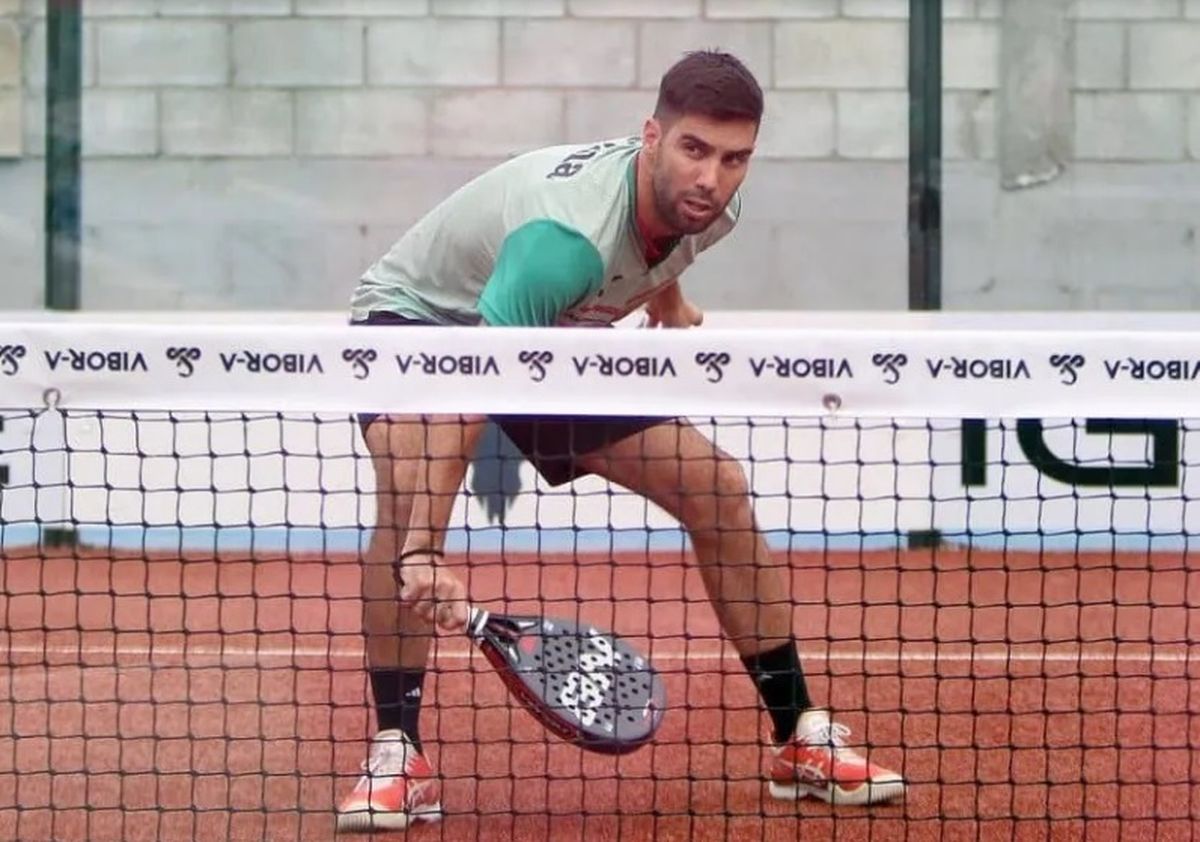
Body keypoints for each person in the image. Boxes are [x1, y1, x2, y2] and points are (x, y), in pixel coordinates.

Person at [336, 50, 905, 832]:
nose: (711, 177)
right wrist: (425, 550)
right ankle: (398, 753)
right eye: (694, 149)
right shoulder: (563, 242)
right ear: (652, 137)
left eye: (734, 158)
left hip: (555, 325)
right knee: (406, 502)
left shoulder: (717, 210)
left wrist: (667, 301)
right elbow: (477, 374)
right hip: (423, 321)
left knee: (715, 488)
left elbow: (659, 244)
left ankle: (799, 737)